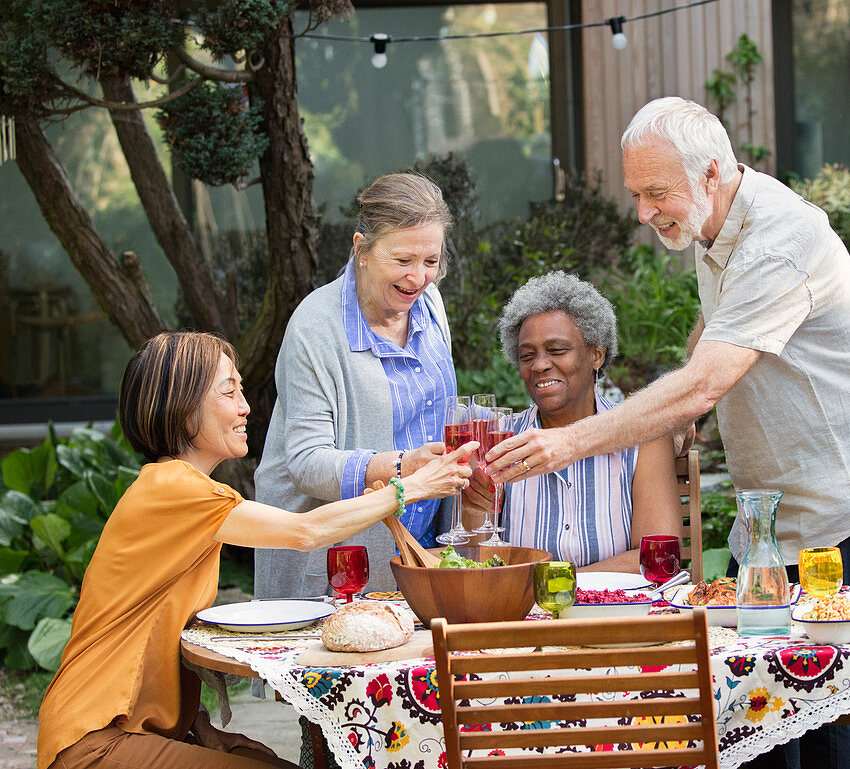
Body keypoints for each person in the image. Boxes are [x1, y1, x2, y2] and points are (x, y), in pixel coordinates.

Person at [483, 97, 850, 769]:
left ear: (712, 173)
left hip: (839, 498)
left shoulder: (779, 240)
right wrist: (683, 418)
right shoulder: (713, 226)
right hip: (775, 503)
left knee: (820, 696)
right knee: (771, 695)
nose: (643, 211)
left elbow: (706, 379)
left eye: (655, 192)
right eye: (636, 193)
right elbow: (713, 332)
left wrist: (572, 441)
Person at [36, 332, 474, 769]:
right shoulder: (175, 488)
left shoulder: (181, 489)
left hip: (125, 729)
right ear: (182, 405)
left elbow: (148, 626)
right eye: (229, 392)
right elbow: (305, 531)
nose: (245, 406)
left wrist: (198, 724)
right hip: (95, 740)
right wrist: (411, 487)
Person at [254, 173, 460, 602]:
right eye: (403, 260)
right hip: (337, 562)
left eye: (430, 260)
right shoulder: (315, 326)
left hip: (419, 549)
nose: (419, 278)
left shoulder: (430, 304)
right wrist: (405, 465)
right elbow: (307, 464)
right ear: (362, 249)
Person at [463, 272, 681, 571]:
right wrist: (475, 512)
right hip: (523, 614)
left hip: (617, 613)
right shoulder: (500, 441)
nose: (539, 365)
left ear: (597, 355)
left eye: (557, 350)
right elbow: (479, 568)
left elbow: (657, 558)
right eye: (527, 355)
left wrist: (558, 587)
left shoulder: (644, 437)